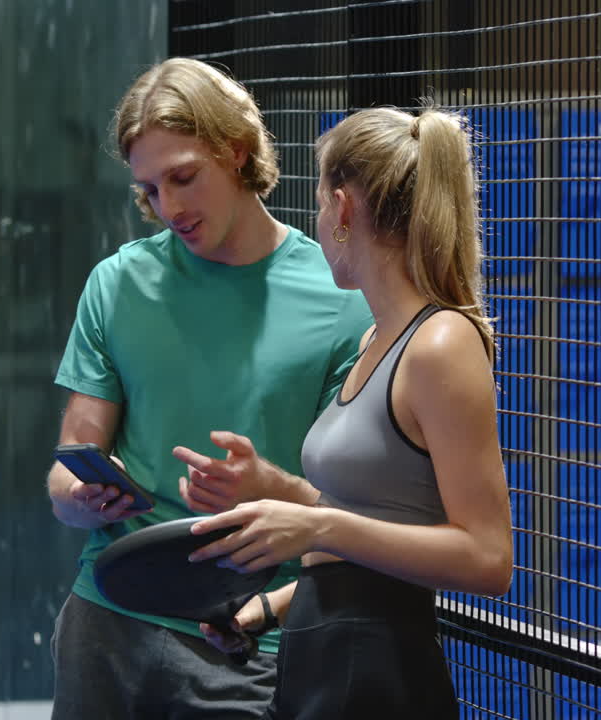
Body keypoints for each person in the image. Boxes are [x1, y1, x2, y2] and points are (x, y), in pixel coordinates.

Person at [46, 57, 371, 719]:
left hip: (248, 632)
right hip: (108, 617)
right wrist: (86, 497)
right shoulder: (118, 283)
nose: (169, 207)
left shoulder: (341, 301)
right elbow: (64, 475)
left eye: (184, 177)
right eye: (150, 189)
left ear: (238, 151)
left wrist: (274, 490)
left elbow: (360, 520)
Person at [182, 107, 513, 719]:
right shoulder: (373, 340)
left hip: (378, 670)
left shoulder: (440, 342)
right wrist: (278, 603)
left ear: (341, 209)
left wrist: (315, 526)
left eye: (316, 204)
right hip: (322, 650)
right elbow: (376, 523)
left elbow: (490, 558)